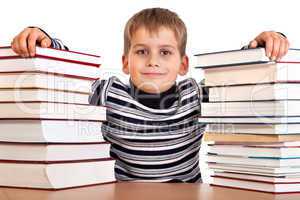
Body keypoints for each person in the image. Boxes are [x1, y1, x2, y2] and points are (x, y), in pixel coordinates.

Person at [10, 8, 289, 183]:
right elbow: (66, 77)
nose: (153, 61)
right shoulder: (109, 93)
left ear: (183, 64)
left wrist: (264, 43)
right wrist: (44, 39)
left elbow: (237, 78)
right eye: (142, 51)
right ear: (125, 62)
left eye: (165, 52)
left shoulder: (195, 96)